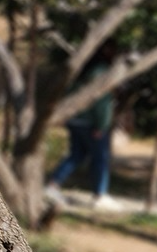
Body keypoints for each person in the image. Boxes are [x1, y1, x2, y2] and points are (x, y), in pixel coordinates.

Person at [48, 50, 120, 210]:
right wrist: (101, 125)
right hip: (91, 123)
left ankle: (53, 185)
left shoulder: (81, 70)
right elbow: (102, 101)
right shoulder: (102, 72)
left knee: (76, 155)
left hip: (75, 119)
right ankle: (100, 194)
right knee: (100, 158)